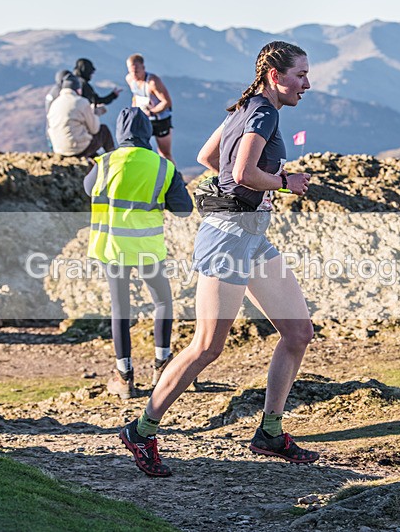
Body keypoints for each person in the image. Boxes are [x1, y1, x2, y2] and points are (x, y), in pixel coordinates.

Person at [119, 41, 317, 477]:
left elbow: (207, 158)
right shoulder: (262, 113)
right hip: (228, 239)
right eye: (301, 75)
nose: (307, 84)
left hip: (250, 237)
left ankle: (270, 432)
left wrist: (245, 190)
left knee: (298, 332)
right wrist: (283, 182)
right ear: (275, 76)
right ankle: (141, 430)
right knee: (207, 346)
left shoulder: (245, 108)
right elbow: (243, 173)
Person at [85, 107, 193, 399]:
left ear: (120, 132)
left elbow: (87, 188)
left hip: (112, 248)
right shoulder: (163, 167)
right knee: (163, 302)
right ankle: (162, 367)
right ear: (148, 133)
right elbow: (184, 210)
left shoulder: (105, 163)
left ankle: (124, 378)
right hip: (148, 249)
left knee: (120, 309)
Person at [47, 75, 115, 158]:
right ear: (78, 89)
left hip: (59, 149)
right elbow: (94, 129)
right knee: (104, 130)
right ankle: (114, 158)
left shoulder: (54, 103)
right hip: (77, 149)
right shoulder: (81, 102)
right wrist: (95, 113)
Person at [126, 54, 174, 163]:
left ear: (143, 67)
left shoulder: (153, 82)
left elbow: (167, 102)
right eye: (131, 71)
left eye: (137, 71)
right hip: (143, 118)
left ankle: (174, 173)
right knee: (139, 149)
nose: (134, 75)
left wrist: (151, 112)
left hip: (160, 120)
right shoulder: (129, 79)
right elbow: (135, 96)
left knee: (164, 153)